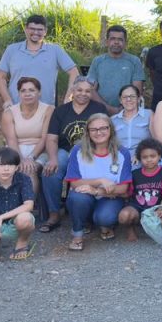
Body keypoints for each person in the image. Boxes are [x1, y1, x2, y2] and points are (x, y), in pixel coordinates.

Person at [40, 77, 106, 231]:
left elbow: (104, 135)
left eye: (88, 91)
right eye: (79, 90)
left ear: (92, 93)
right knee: (50, 171)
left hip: (90, 151)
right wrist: (53, 159)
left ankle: (85, 214)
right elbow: (52, 138)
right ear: (72, 91)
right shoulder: (61, 111)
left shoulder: (99, 109)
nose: (83, 94)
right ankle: (54, 212)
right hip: (65, 150)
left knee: (89, 170)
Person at [63, 113, 134, 251]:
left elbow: (123, 188)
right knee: (77, 198)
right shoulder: (77, 150)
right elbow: (74, 183)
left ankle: (103, 223)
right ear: (88, 132)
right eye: (93, 129)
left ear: (110, 129)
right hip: (84, 196)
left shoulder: (122, 152)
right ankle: (77, 234)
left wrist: (96, 190)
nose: (99, 132)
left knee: (105, 217)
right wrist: (100, 180)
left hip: (110, 197)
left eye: (103, 128)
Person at [0, 14, 79, 107]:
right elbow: (0, 76)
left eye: (40, 29)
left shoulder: (55, 50)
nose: (36, 32)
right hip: (16, 107)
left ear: (45, 31)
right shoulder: (12, 50)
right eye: (32, 28)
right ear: (26, 29)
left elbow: (74, 72)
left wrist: (68, 96)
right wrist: (7, 99)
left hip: (46, 109)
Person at [1, 77, 54, 192]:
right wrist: (20, 159)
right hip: (15, 149)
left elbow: (45, 138)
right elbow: (11, 140)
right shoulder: (9, 112)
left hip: (40, 150)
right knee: (6, 171)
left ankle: (29, 202)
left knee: (29, 170)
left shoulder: (49, 110)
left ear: (39, 92)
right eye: (23, 90)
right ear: (19, 93)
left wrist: (30, 158)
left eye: (32, 90)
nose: (27, 94)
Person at [117, 138, 162, 242]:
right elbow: (128, 193)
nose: (149, 160)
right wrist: (115, 192)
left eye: (153, 156)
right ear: (139, 158)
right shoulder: (135, 174)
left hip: (155, 209)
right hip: (137, 208)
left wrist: (161, 208)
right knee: (124, 216)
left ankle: (156, 227)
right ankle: (130, 229)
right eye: (145, 157)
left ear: (160, 156)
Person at [87, 25, 145, 114]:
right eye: (112, 39)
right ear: (107, 42)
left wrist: (123, 110)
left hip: (127, 111)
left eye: (120, 39)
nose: (116, 42)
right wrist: (109, 109)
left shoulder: (134, 61)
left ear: (125, 43)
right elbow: (91, 89)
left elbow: (137, 91)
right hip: (100, 110)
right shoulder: (97, 61)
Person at [111, 84, 151, 167]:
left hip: (144, 156)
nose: (128, 99)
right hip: (119, 157)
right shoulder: (113, 120)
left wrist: (140, 153)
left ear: (138, 99)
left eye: (132, 96)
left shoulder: (149, 115)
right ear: (120, 100)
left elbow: (156, 139)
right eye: (125, 97)